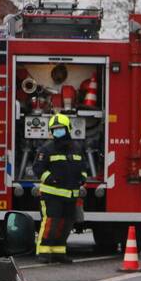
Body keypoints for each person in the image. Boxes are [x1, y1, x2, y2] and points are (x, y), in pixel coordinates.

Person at [33, 113, 88, 264]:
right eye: (55, 129)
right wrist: (50, 179)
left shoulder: (77, 148)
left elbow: (83, 167)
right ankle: (44, 252)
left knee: (67, 224)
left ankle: (59, 251)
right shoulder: (47, 149)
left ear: (68, 129)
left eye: (61, 129)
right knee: (51, 222)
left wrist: (82, 177)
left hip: (71, 195)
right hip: (51, 195)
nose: (58, 132)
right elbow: (37, 168)